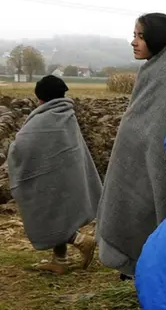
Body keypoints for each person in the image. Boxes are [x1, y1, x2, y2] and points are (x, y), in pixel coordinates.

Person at [95, 13, 166, 310]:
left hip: (165, 174)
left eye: (139, 35)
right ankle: (161, 304)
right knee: (146, 232)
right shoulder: (152, 72)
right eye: (134, 34)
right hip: (142, 172)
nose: (133, 41)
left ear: (156, 38)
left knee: (164, 235)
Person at [7, 75, 100, 275]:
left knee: (47, 213)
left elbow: (21, 146)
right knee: (59, 212)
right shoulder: (66, 113)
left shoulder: (42, 119)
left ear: (41, 98)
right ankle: (60, 260)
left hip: (48, 178)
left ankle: (81, 241)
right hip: (66, 176)